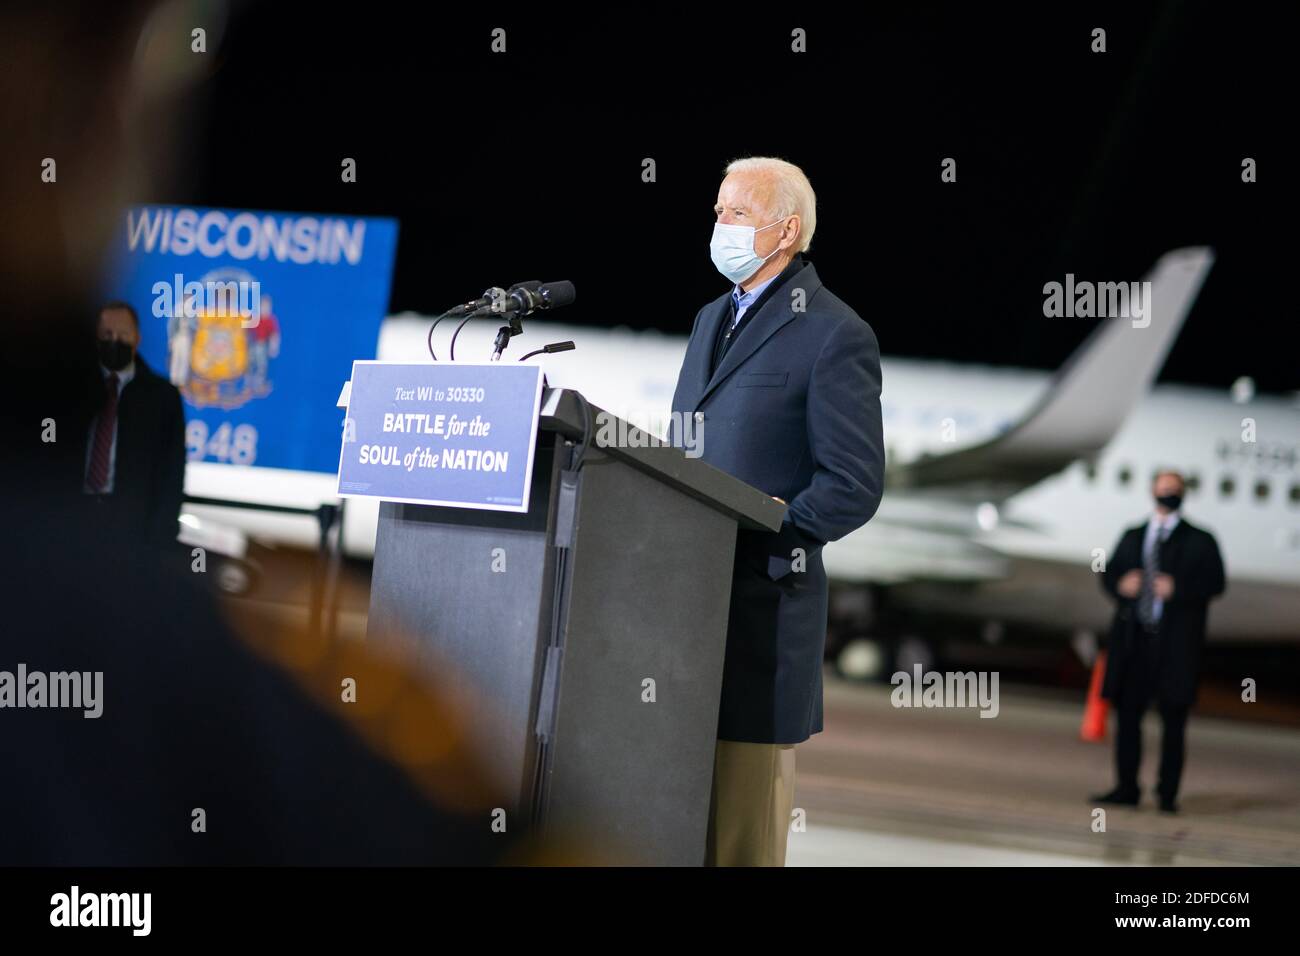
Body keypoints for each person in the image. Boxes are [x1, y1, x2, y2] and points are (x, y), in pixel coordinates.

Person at [670, 157, 885, 865]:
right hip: (685, 616)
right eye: (718, 211)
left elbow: (852, 483)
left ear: (786, 229)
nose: (719, 225)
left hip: (759, 619)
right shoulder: (710, 318)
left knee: (741, 840)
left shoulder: (834, 333)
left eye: (735, 213)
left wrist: (766, 523)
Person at [1092, 470, 1226, 813]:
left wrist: (1179, 589)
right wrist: (1121, 585)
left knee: (1173, 722)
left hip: (1174, 646)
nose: (1168, 495)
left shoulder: (1200, 540)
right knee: (1128, 718)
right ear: (1152, 491)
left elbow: (1215, 583)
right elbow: (1109, 573)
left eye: (1174, 491)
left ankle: (1167, 794)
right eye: (1163, 489)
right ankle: (1126, 787)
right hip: (1134, 639)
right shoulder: (1135, 535)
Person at [82, 300, 187, 549]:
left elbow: (172, 471)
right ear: (96, 338)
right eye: (107, 334)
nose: (115, 340)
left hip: (133, 527)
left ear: (137, 339)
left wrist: (162, 534)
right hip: (73, 519)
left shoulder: (162, 397)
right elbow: (46, 444)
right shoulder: (71, 387)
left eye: (123, 334)